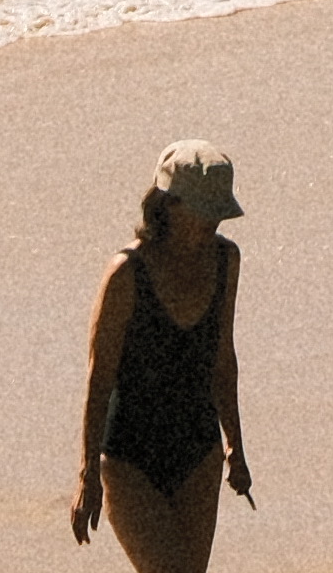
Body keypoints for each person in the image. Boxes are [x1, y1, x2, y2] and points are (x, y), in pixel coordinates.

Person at [74, 143, 252, 562]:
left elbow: (223, 359)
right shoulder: (126, 274)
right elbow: (99, 378)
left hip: (199, 451)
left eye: (218, 212)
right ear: (169, 205)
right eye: (204, 211)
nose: (213, 222)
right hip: (129, 458)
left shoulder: (226, 260)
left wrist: (235, 447)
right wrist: (88, 475)